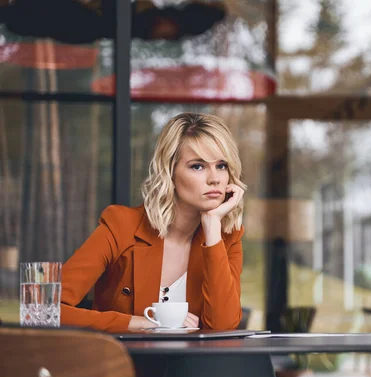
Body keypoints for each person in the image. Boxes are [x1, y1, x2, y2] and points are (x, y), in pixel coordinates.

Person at [60, 113, 246, 332]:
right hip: (125, 363)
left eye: (222, 166)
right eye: (198, 166)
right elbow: (48, 311)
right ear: (170, 172)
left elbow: (223, 326)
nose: (214, 178)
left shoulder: (225, 237)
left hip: (192, 365)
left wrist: (213, 224)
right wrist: (135, 323)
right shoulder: (121, 226)